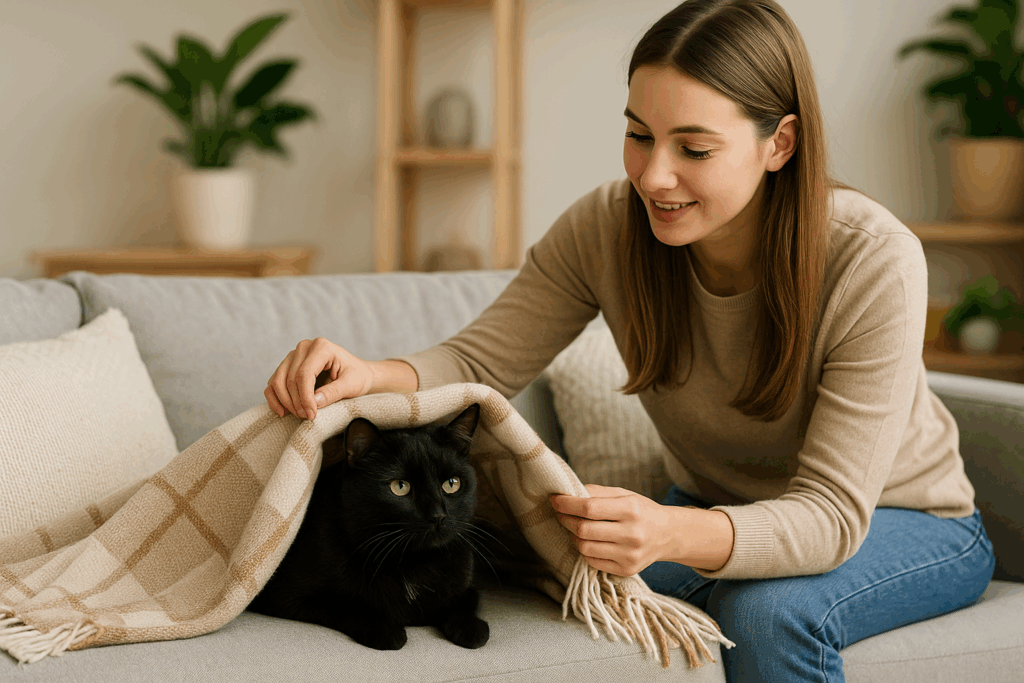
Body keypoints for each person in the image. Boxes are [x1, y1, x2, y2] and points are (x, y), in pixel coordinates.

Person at [263, 1, 995, 680]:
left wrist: (671, 530)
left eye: (694, 148)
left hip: (905, 521)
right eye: (638, 135)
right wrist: (369, 373)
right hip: (708, 505)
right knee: (557, 570)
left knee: (763, 612)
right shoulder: (608, 228)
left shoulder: (873, 258)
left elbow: (832, 515)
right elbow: (477, 363)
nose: (654, 175)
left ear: (780, 143)